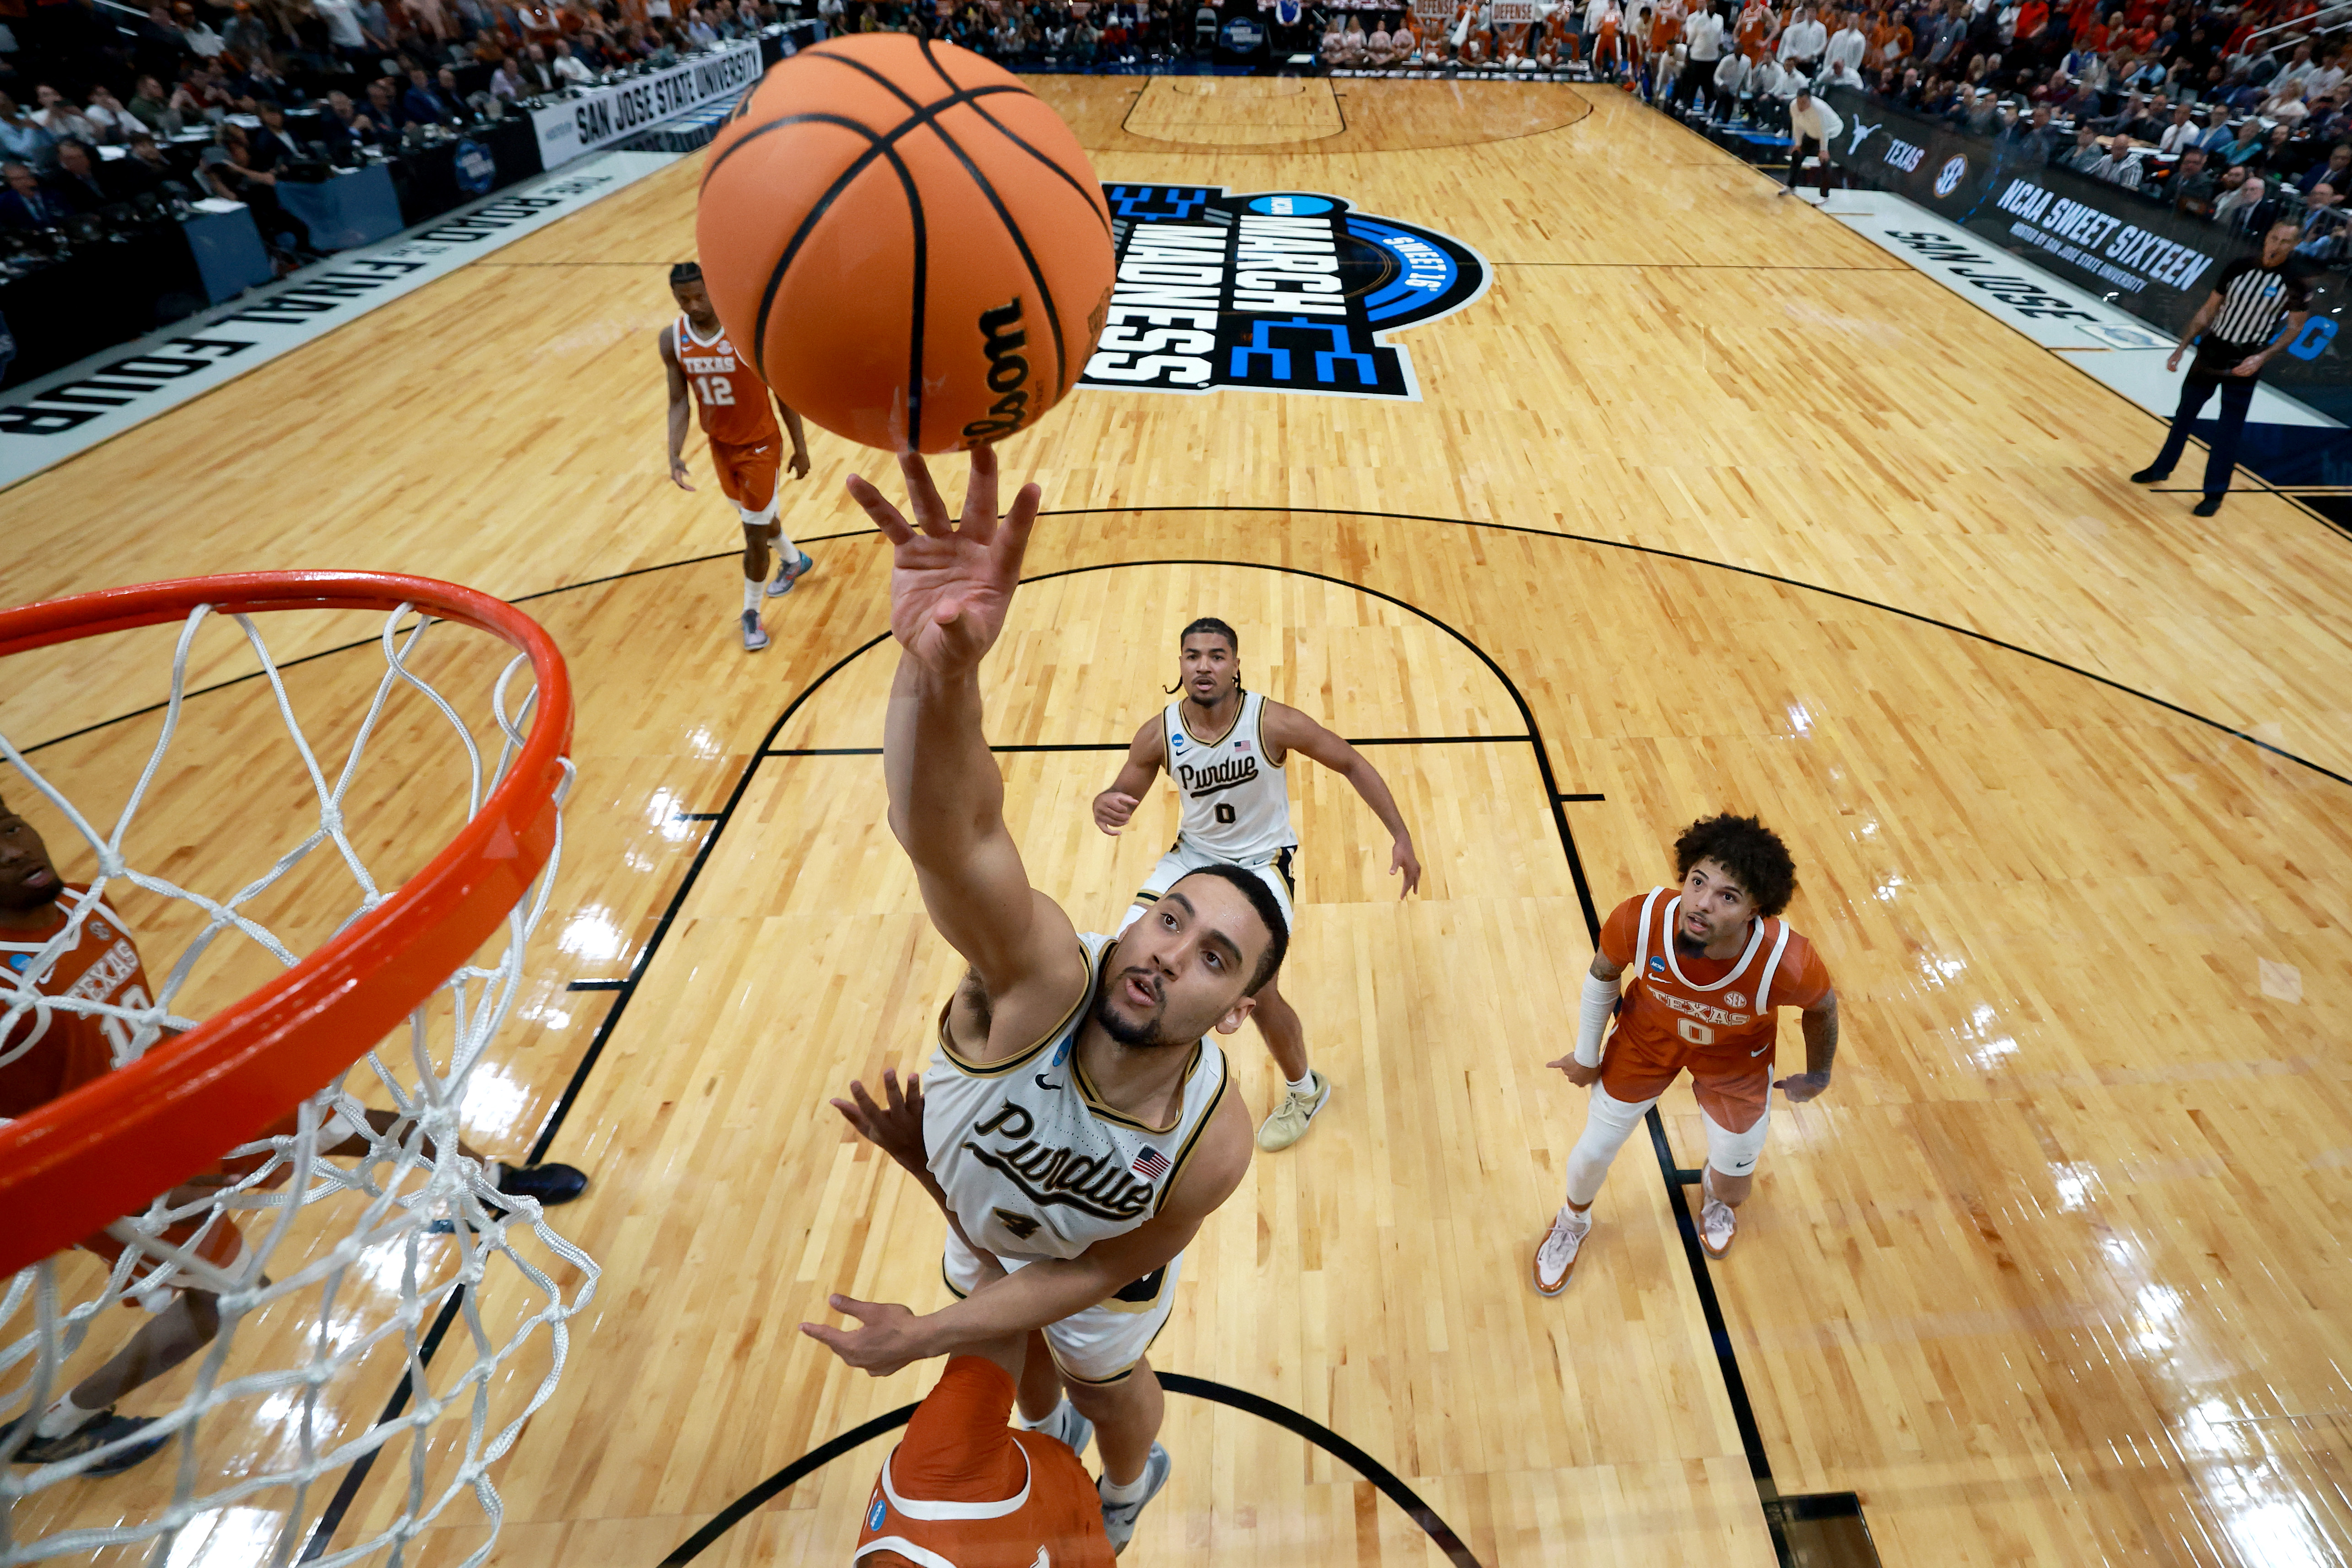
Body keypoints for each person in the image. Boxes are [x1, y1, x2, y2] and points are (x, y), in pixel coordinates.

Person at [805, 448, 1284, 1553]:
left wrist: (927, 1328)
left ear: (1231, 1011)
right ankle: (1061, 1432)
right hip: (985, 1234)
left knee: (1104, 1388)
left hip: (1083, 1275)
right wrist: (940, 673)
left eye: (1215, 956)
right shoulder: (1039, 980)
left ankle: (1125, 1485)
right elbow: (950, 831)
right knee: (1025, 1391)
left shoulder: (1211, 1144)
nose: (1170, 951)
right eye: (1169, 916)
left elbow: (1079, 1271)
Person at [0, 794, 588, 1475]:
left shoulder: (87, 904)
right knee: (221, 1301)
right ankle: (60, 1422)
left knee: (371, 1127)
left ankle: (491, 1185)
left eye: (9, 826)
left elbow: (126, 1022)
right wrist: (124, 1174)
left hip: (192, 1097)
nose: (13, 848)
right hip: (115, 1170)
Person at [1091, 618, 1422, 1153]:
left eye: (1217, 656)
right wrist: (1103, 803)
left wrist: (1400, 835)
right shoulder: (1159, 733)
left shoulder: (1271, 722)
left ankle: (1304, 1089)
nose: (1204, 665)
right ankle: (1123, 1090)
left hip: (1261, 862)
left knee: (1256, 990)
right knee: (1121, 957)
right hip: (1193, 859)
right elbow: (1121, 794)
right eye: (1193, 655)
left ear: (1236, 665)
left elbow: (1350, 762)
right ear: (1180, 665)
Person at [1532, 814, 1840, 1294]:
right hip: (1644, 1042)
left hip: (1735, 1060)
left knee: (1737, 1182)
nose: (1701, 903)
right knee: (1592, 1151)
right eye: (1698, 881)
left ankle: (1716, 1194)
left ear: (1755, 909)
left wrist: (1818, 1073)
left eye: (1727, 896)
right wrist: (1585, 1053)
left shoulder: (1788, 962)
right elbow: (1602, 974)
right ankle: (1571, 1223)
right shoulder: (1639, 918)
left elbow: (1822, 1007)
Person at [657, 261, 815, 653]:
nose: (693, 305)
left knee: (753, 536)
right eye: (684, 299)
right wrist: (674, 453)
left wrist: (800, 446)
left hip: (760, 444)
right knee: (757, 518)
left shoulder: (745, 332)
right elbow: (679, 401)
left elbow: (782, 392)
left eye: (699, 296)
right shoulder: (672, 339)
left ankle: (750, 614)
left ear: (714, 289)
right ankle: (795, 560)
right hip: (721, 447)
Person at [2131, 219, 2314, 516]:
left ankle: (2214, 493)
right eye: (2273, 237)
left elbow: (2295, 329)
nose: (2276, 245)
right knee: (2184, 415)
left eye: (2284, 241)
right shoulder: (2239, 267)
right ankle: (2161, 468)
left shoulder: (2297, 282)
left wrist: (2261, 358)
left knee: (2228, 429)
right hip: (2212, 351)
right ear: (2266, 236)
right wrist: (2182, 347)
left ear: (2294, 246)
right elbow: (2209, 309)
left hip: (2246, 359)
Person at [1778, 82, 1842, 196]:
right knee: (1797, 155)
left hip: (1832, 133)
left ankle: (1824, 195)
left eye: (1804, 103)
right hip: (1813, 132)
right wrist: (1798, 144)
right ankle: (1791, 186)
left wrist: (1823, 150)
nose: (1801, 106)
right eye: (1799, 102)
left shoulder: (1819, 109)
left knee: (1825, 161)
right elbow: (1797, 125)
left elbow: (1824, 131)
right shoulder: (1793, 106)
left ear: (1810, 100)